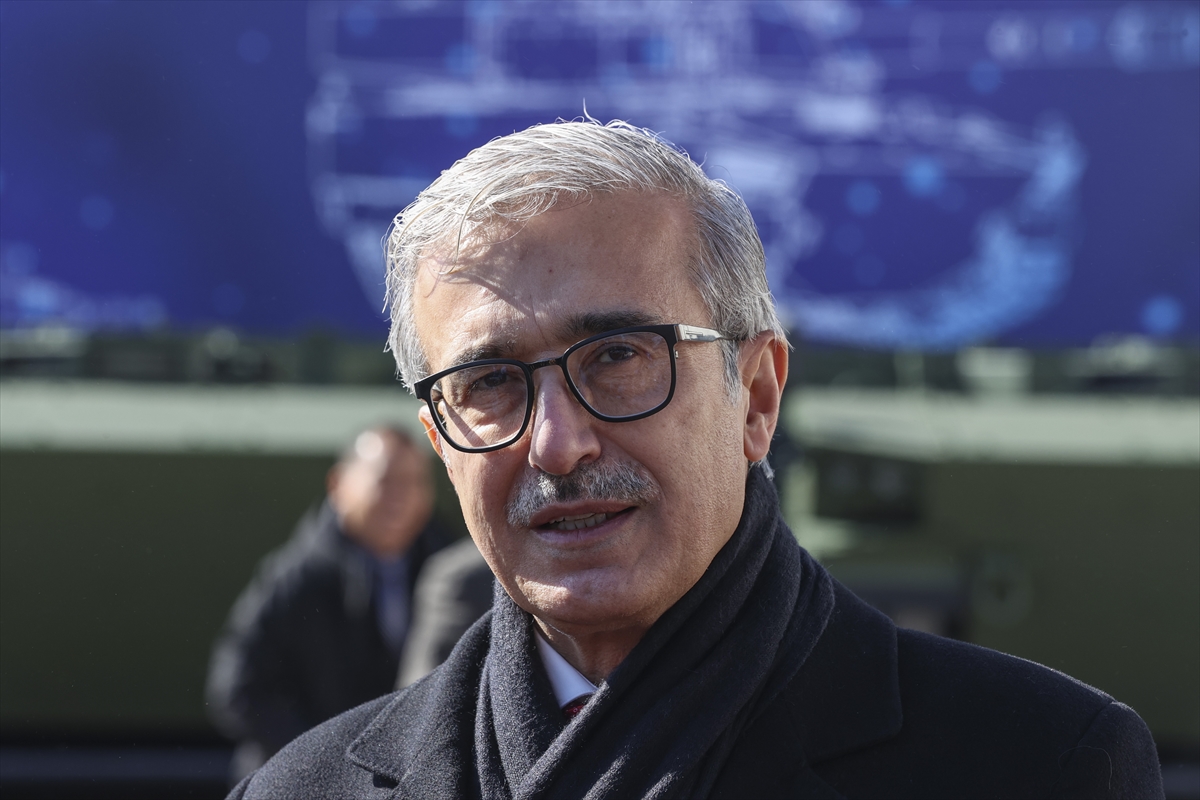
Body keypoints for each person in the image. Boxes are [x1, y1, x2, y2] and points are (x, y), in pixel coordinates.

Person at [229, 121, 1163, 798]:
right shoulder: (304, 790)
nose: (556, 443)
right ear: (441, 440)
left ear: (755, 398)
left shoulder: (1038, 766)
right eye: (490, 383)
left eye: (618, 357)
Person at [207, 426, 449, 778]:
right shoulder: (297, 577)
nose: (400, 497)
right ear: (338, 485)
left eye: (413, 482)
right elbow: (237, 686)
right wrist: (320, 760)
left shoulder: (448, 567)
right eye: (385, 481)